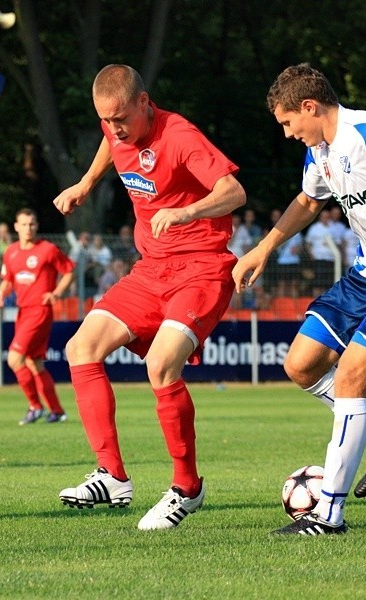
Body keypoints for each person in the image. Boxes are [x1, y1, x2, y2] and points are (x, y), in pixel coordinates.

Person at [233, 63, 366, 536]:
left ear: (309, 107)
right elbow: (310, 201)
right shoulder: (321, 151)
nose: (289, 134)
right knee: (301, 365)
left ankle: (327, 513)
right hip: (365, 274)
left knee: (351, 377)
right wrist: (263, 249)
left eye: (289, 123)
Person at [53, 64, 246, 530]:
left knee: (159, 365)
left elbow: (234, 192)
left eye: (120, 117)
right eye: (106, 119)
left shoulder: (179, 135)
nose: (114, 127)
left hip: (200, 268)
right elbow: (109, 143)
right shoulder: (115, 126)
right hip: (151, 270)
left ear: (145, 102)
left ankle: (187, 488)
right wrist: (85, 183)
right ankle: (112, 476)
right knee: (81, 348)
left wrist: (187, 212)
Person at [0, 208, 75, 425]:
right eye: (24, 224)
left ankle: (35, 407)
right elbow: (9, 280)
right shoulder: (10, 252)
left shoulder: (47, 249)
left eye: (32, 224)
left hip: (39, 310)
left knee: (14, 358)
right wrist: (0, 294)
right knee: (34, 363)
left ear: (36, 226)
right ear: (16, 226)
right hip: (22, 311)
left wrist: (56, 292)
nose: (28, 228)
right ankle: (57, 411)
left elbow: (68, 271)